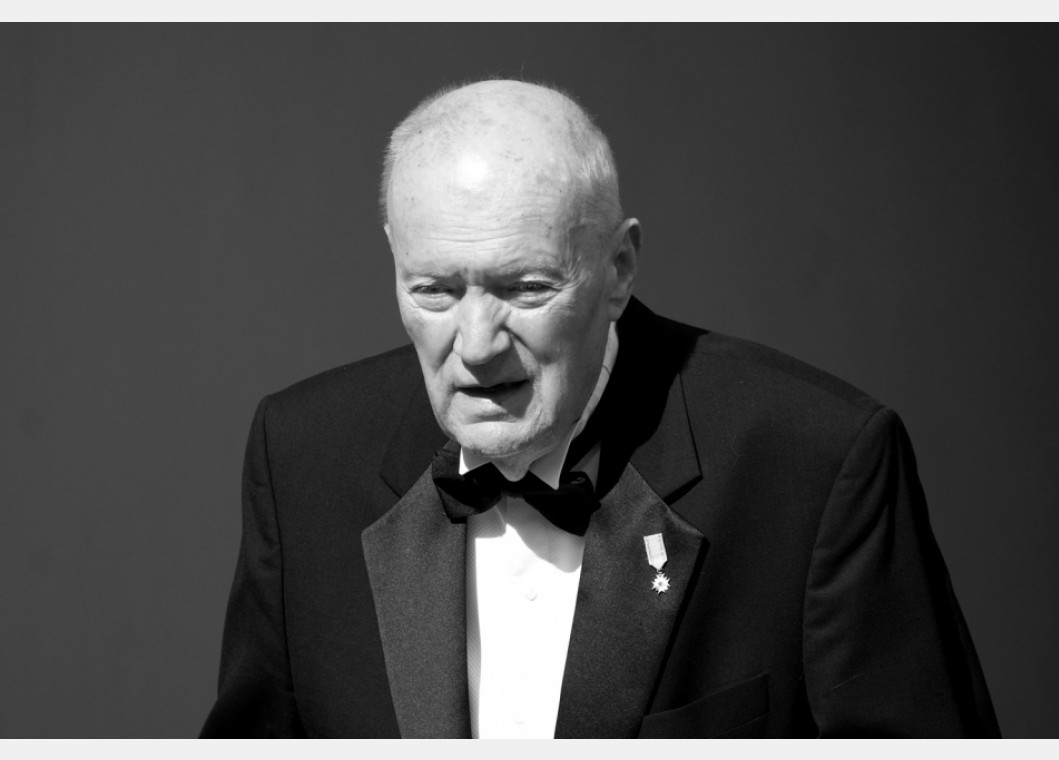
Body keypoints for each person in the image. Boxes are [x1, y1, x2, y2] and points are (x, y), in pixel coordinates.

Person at [200, 79, 1000, 738]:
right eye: (435, 291)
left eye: (525, 288)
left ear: (618, 269)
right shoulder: (300, 456)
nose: (475, 345)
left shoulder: (818, 465)